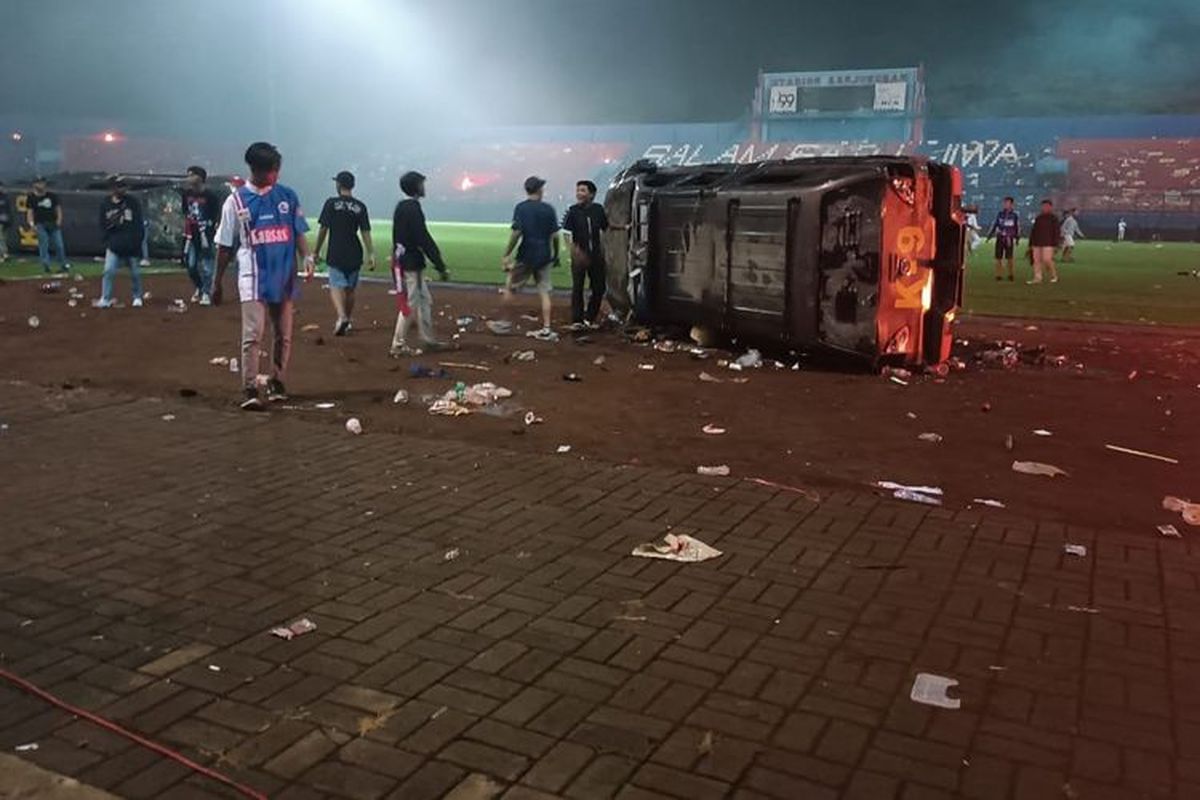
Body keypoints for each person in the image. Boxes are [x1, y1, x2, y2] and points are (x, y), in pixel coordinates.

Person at [212, 142, 313, 411]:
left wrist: (308, 256)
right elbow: (224, 245)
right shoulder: (235, 202)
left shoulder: (287, 196)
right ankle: (250, 388)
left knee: (284, 334)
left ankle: (277, 382)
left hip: (284, 275)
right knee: (253, 334)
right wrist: (217, 282)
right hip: (252, 275)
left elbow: (299, 231)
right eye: (272, 170)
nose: (276, 174)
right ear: (257, 170)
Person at [390, 170, 448, 356]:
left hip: (405, 260)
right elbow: (423, 238)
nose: (424, 187)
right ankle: (398, 344)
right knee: (411, 302)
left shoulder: (402, 207)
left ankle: (428, 339)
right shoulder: (413, 208)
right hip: (411, 263)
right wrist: (439, 264)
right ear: (416, 187)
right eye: (422, 184)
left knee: (424, 301)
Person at [314, 171, 374, 336]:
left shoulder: (331, 203)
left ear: (338, 185)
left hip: (336, 250)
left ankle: (341, 317)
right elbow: (365, 231)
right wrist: (371, 254)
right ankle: (347, 319)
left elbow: (324, 228)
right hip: (355, 251)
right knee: (350, 289)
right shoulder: (360, 206)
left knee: (335, 285)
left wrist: (316, 250)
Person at [502, 176, 560, 336]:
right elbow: (555, 236)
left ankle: (505, 322)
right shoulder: (549, 209)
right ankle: (547, 327)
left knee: (511, 288)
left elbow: (516, 233)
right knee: (544, 292)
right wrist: (555, 255)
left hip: (526, 253)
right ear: (539, 190)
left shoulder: (521, 208)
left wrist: (506, 254)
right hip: (544, 254)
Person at [562, 180, 611, 328]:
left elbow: (605, 229)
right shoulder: (573, 211)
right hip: (579, 255)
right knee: (578, 287)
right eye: (578, 191)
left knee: (599, 287)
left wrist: (604, 251)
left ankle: (590, 317)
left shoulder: (598, 210)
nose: (579, 194)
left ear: (591, 194)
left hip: (596, 255)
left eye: (582, 191)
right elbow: (566, 233)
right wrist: (574, 251)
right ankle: (577, 320)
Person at [97, 176, 145, 308]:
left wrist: (137, 241)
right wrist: (107, 239)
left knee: (135, 272)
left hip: (131, 244)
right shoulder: (106, 203)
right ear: (113, 188)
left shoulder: (133, 202)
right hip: (114, 244)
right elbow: (102, 223)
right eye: (119, 186)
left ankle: (137, 296)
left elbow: (138, 223)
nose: (122, 189)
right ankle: (105, 298)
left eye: (124, 186)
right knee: (108, 271)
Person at [181, 166, 220, 305]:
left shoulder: (211, 196)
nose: (189, 178)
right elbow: (186, 212)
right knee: (191, 265)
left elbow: (215, 216)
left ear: (200, 178)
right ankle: (200, 287)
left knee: (207, 266)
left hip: (206, 235)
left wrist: (210, 231)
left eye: (192, 175)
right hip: (192, 234)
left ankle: (206, 292)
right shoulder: (186, 194)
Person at [26, 177, 70, 273]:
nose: (40, 185)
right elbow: (30, 212)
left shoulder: (52, 196)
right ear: (34, 184)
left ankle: (63, 265)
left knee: (59, 245)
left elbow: (58, 209)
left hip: (53, 223)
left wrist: (59, 220)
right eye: (38, 183)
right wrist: (31, 224)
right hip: (40, 224)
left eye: (42, 182)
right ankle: (46, 265)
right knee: (44, 245)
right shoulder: (31, 197)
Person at [986, 196, 1020, 281]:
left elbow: (1017, 227)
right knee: (998, 257)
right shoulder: (1000, 214)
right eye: (1005, 203)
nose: (1006, 205)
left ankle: (1011, 274)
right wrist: (990, 235)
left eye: (1008, 203)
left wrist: (1017, 238)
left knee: (1009, 257)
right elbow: (995, 224)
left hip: (1009, 239)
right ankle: (998, 275)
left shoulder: (1014, 215)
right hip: (1000, 238)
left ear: (1012, 205)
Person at [1028, 199, 1060, 285]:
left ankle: (1054, 275)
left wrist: (1056, 244)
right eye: (1043, 206)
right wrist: (1031, 243)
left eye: (1046, 206)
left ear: (1050, 207)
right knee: (1036, 260)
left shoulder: (1054, 218)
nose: (1044, 208)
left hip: (1048, 242)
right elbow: (1033, 231)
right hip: (1037, 242)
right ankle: (1037, 277)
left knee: (1047, 259)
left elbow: (1056, 232)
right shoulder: (1039, 218)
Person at [0, 182, 11, 262]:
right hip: (4, 219)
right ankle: (4, 254)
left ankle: (4, 254)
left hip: (4, 220)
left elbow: (7, 210)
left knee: (2, 238)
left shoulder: (5, 197)